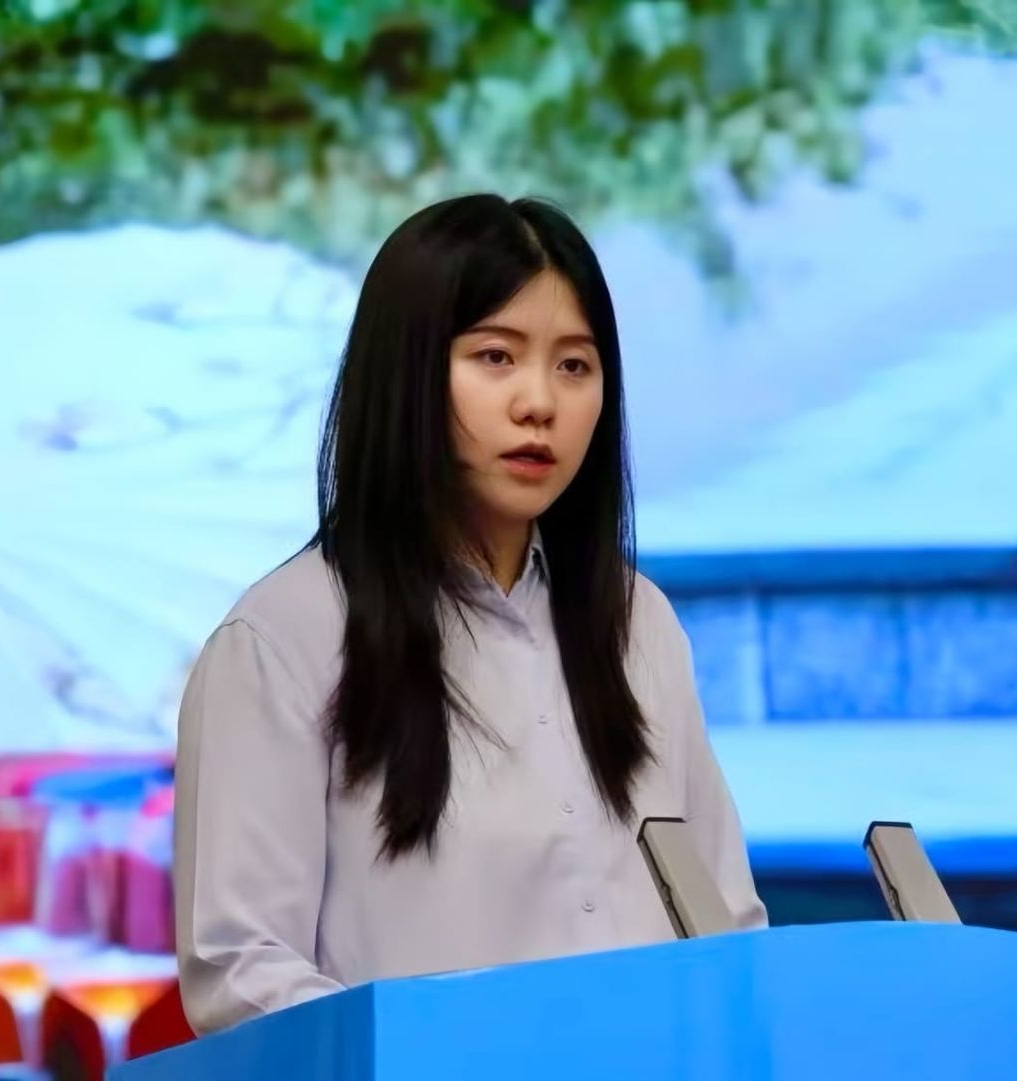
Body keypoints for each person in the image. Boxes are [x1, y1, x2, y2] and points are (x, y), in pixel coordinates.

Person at [172, 194, 768, 1035]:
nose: (540, 403)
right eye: (496, 356)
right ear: (408, 371)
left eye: (575, 365)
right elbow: (242, 973)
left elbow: (726, 925)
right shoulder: (285, 637)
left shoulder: (639, 623)